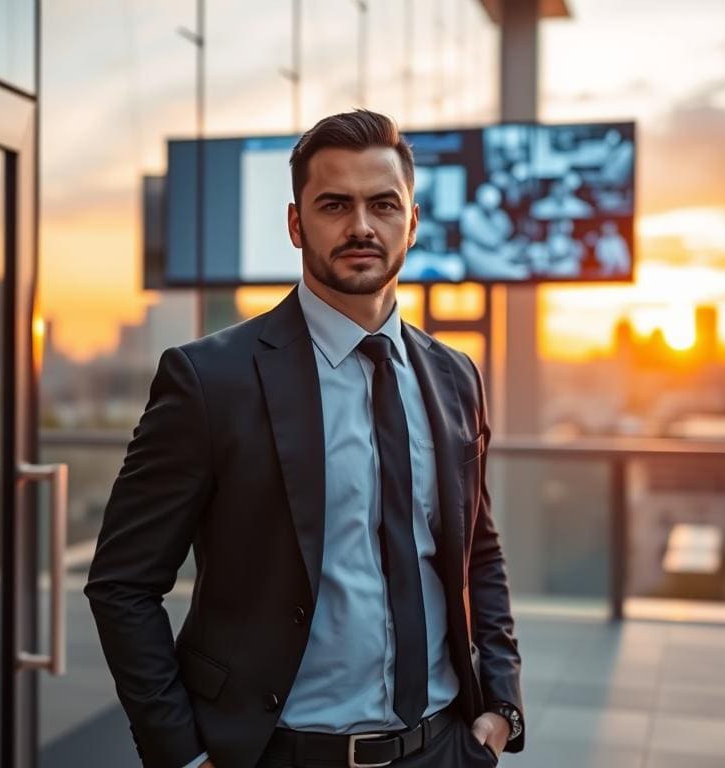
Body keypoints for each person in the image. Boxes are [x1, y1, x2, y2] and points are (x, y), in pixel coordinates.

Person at [85, 110, 524, 768]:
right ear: (296, 224)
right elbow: (122, 584)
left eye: (383, 204)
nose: (360, 227)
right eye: (333, 204)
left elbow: (476, 553)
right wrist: (181, 755)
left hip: (444, 748)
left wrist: (500, 706)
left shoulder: (454, 376)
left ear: (413, 220)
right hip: (279, 755)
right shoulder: (210, 380)